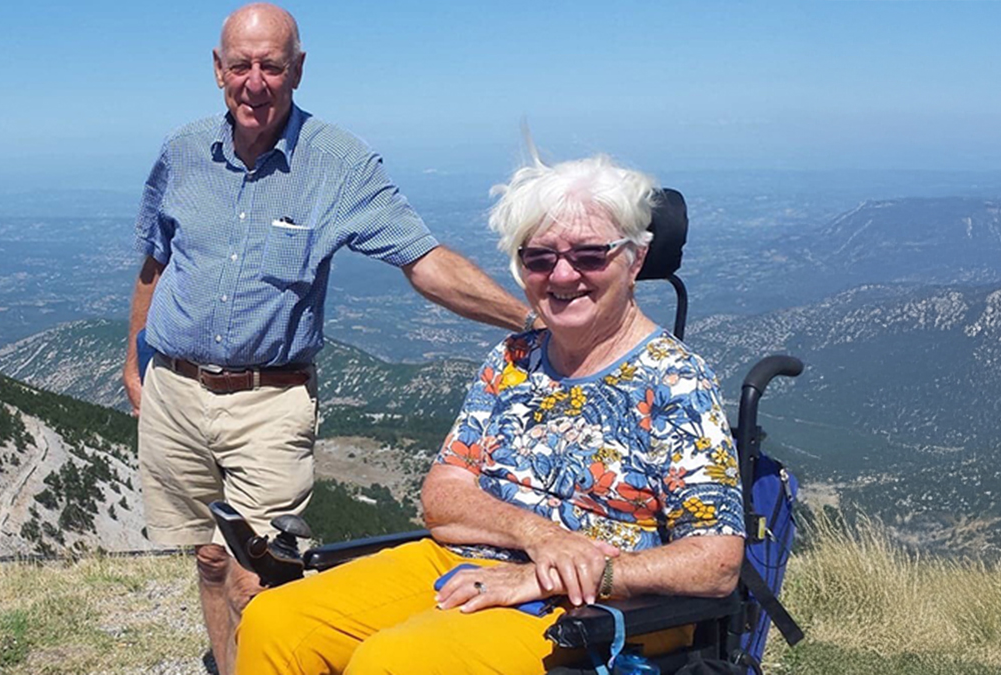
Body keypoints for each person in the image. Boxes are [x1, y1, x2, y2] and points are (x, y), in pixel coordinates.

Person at [123, 4, 536, 674]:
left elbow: (424, 259)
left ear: (299, 69)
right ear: (217, 70)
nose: (255, 82)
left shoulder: (337, 163)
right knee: (207, 555)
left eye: (272, 66)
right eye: (241, 66)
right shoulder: (182, 153)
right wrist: (133, 360)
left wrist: (528, 318)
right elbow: (154, 259)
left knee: (258, 573)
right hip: (172, 387)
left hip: (268, 399)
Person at [234, 151, 746, 674]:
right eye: (539, 258)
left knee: (397, 662)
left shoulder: (675, 380)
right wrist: (538, 536)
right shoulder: (514, 359)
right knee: (275, 623)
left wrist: (556, 574)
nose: (562, 274)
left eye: (590, 255)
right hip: (470, 562)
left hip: (605, 604)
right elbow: (444, 496)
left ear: (634, 259)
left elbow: (717, 562)